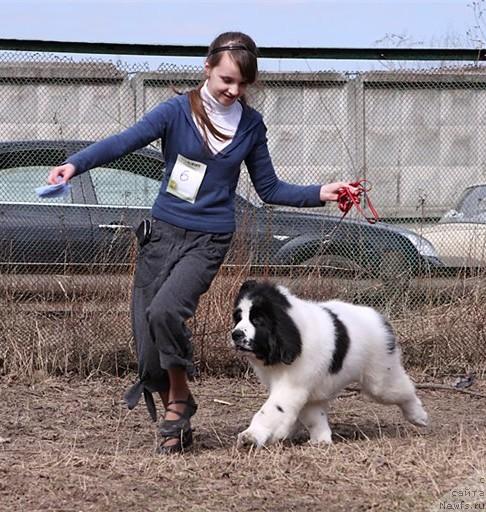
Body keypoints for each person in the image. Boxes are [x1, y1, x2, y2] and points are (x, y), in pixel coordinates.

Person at [48, 31, 357, 454]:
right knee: (147, 336)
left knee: (166, 311)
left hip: (209, 238)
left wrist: (320, 192)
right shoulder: (176, 111)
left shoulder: (250, 125)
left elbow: (269, 187)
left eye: (242, 84)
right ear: (207, 67)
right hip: (163, 234)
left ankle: (178, 403)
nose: (233, 90)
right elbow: (124, 141)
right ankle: (179, 405)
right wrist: (74, 164)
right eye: (226, 79)